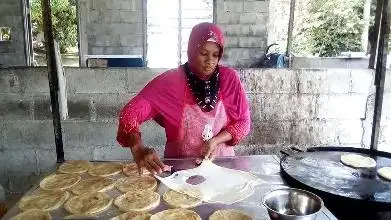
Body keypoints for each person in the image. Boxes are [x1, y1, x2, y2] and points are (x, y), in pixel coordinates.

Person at [117, 22, 251, 175]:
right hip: (181, 171)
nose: (210, 61)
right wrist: (138, 147)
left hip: (222, 166)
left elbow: (243, 122)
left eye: (215, 55)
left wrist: (215, 141)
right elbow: (130, 113)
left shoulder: (229, 79)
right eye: (203, 53)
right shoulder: (171, 82)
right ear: (192, 50)